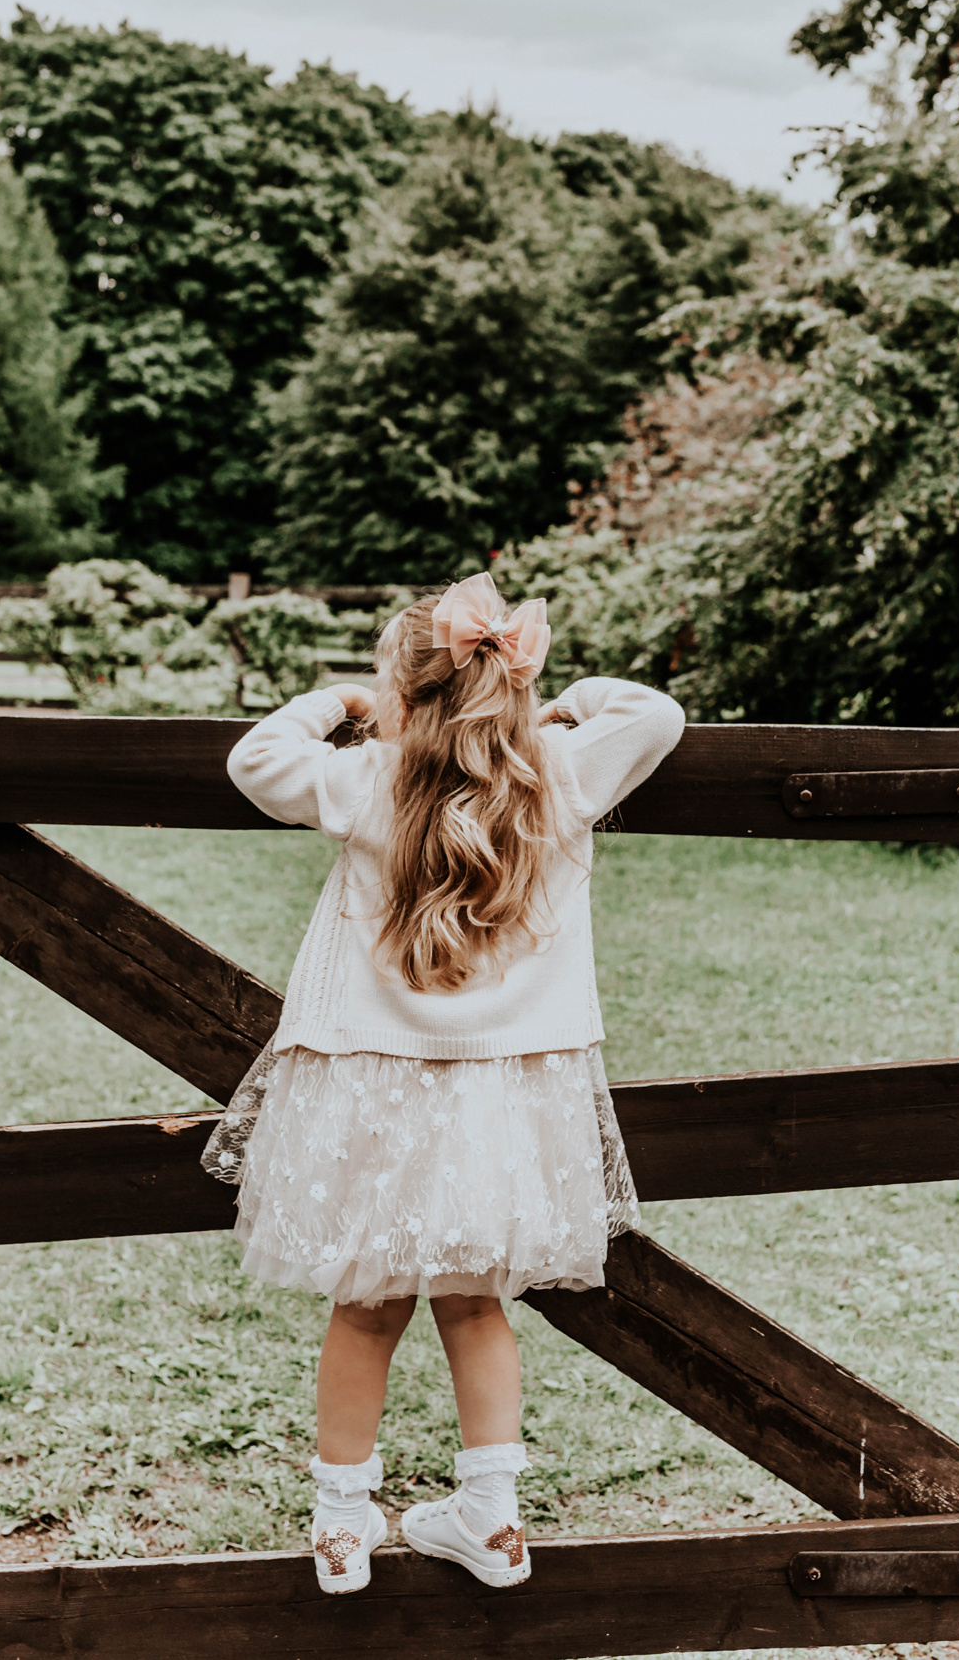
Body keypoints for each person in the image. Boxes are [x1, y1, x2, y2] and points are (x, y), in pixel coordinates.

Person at [202, 573, 684, 1594]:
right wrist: (561, 704)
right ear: (512, 676)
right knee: (476, 1302)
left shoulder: (371, 776)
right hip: (504, 1092)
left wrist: (339, 704)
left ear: (404, 692)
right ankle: (493, 1519)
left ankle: (341, 1524)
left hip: (370, 1086)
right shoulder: (562, 767)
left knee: (364, 1301)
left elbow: (256, 757)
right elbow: (656, 713)